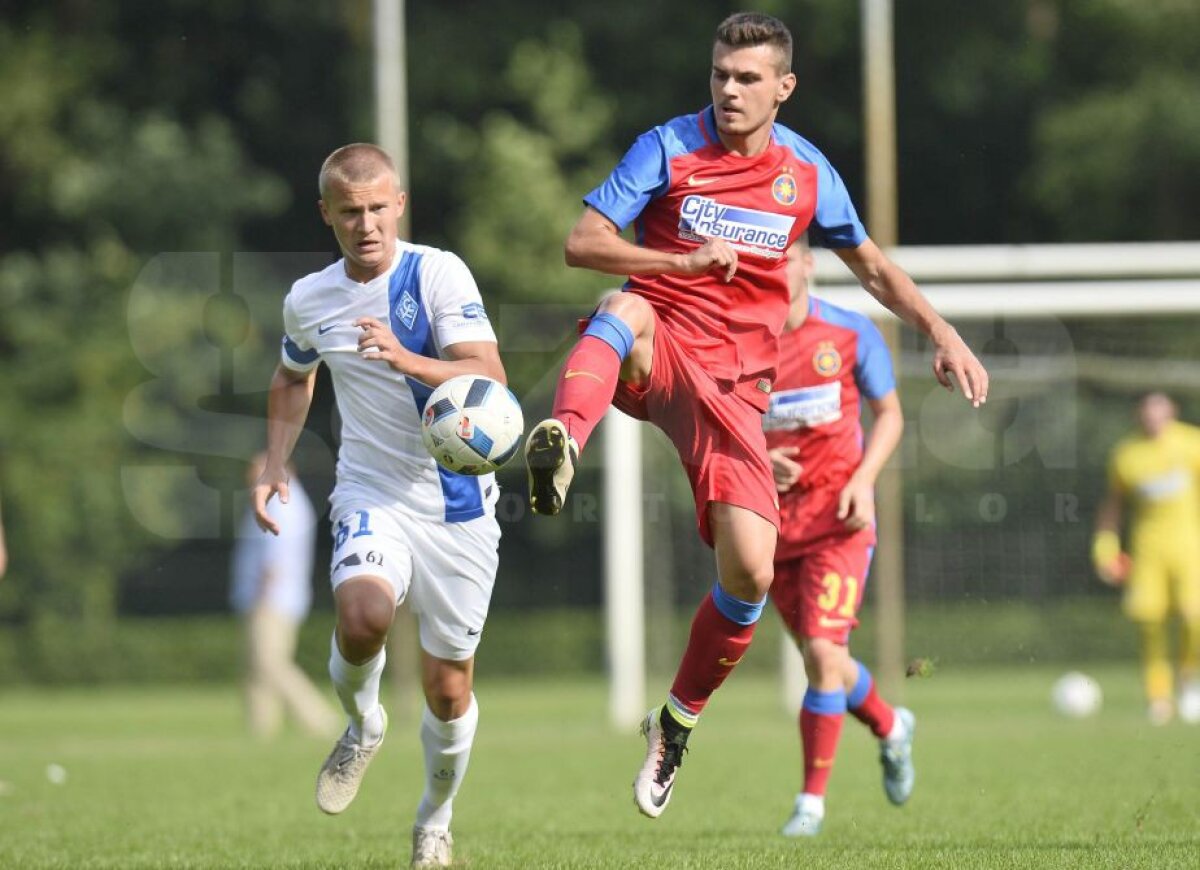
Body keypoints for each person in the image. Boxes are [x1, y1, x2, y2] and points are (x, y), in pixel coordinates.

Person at [524, 11, 988, 819]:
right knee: (620, 307)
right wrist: (678, 262)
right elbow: (582, 240)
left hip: (739, 397)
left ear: (784, 87)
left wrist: (941, 331)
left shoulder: (805, 172)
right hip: (660, 344)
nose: (729, 91)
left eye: (747, 79)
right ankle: (564, 434)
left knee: (748, 574)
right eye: (719, 75)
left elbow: (871, 266)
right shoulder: (667, 147)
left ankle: (673, 725)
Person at [253, 143, 506, 868]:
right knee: (362, 618)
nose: (366, 225)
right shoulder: (309, 298)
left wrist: (408, 358)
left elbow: (489, 374)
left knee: (448, 688)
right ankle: (363, 725)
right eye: (349, 212)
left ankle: (434, 818)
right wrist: (274, 463)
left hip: (457, 504)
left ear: (399, 204)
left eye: (377, 208)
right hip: (371, 492)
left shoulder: (437, 272)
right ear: (326, 213)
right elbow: (290, 376)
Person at [765, 237, 912, 836]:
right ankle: (892, 727)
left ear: (806, 265)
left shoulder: (851, 334)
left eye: (782, 259)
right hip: (769, 527)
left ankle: (810, 805)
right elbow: (718, 427)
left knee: (822, 659)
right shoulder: (737, 343)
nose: (771, 273)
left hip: (840, 523)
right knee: (826, 660)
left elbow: (892, 415)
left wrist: (864, 479)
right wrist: (759, 458)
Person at [1093, 392, 1200, 725]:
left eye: (1159, 411)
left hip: (1190, 548)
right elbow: (1113, 506)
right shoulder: (1127, 455)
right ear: (1139, 416)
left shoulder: (1192, 444)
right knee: (1150, 624)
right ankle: (1159, 698)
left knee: (1194, 616)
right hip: (1147, 553)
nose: (1153, 418)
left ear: (1172, 412)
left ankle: (1191, 682)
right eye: (1147, 413)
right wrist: (1104, 549)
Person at [231, 453, 340, 740]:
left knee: (270, 663)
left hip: (272, 599)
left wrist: (264, 594)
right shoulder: (277, 501)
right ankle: (261, 729)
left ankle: (320, 720)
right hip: (273, 597)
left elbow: (275, 554)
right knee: (257, 667)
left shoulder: (282, 504)